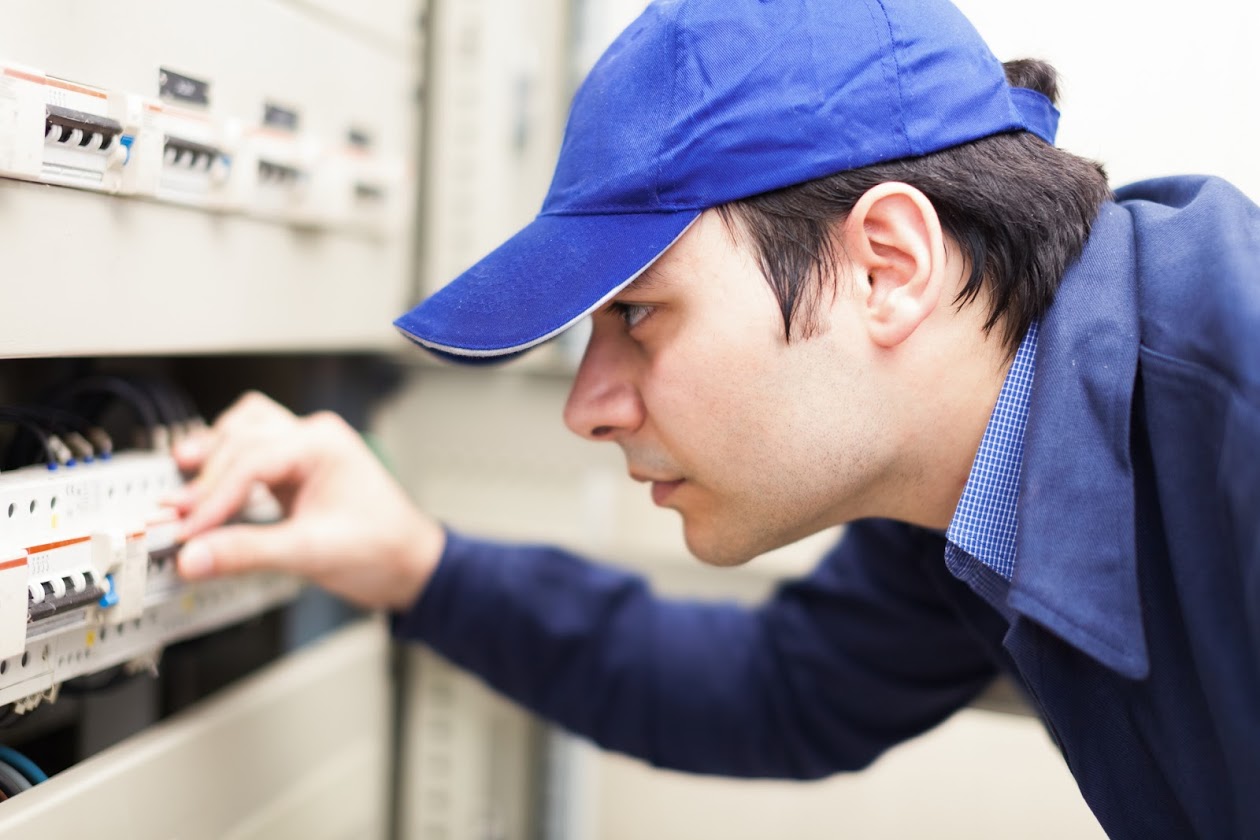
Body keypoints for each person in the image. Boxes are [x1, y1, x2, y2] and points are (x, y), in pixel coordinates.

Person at [167, 0, 1260, 837]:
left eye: (639, 314)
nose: (588, 408)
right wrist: (418, 565)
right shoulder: (972, 475)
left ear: (887, 267)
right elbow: (783, 687)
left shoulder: (1237, 422)